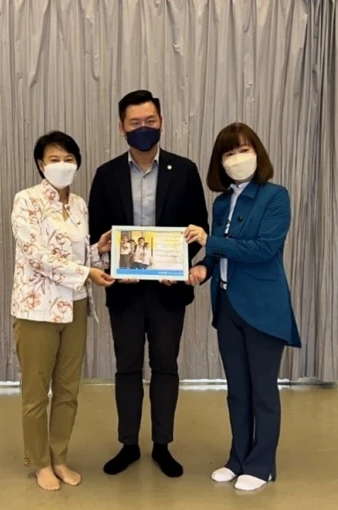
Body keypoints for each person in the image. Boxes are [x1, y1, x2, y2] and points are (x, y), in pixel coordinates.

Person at [89, 90, 209, 478]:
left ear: (161, 122)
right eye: (135, 123)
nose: (143, 129)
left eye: (150, 121)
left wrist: (181, 267)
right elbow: (96, 233)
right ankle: (128, 444)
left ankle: (162, 444)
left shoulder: (185, 170)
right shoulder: (106, 175)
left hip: (168, 292)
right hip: (123, 290)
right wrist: (103, 259)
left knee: (165, 367)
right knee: (126, 367)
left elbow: (198, 228)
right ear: (122, 127)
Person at [185, 123, 301, 491]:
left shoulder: (276, 197)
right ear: (220, 162)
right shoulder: (222, 202)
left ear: (258, 153)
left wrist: (211, 240)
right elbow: (218, 250)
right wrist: (202, 266)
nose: (237, 158)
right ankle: (238, 457)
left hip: (263, 307)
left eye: (244, 149)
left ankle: (262, 463)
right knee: (237, 389)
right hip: (228, 304)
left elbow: (264, 249)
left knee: (263, 390)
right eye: (229, 153)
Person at [11, 131, 114, 491]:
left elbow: (78, 255)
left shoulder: (81, 205)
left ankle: (60, 457)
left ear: (77, 163)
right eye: (53, 159)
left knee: (68, 390)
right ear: (40, 164)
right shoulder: (26, 201)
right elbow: (37, 256)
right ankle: (39, 462)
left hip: (75, 305)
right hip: (36, 309)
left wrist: (98, 251)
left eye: (68, 158)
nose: (61, 165)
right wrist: (88, 272)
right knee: (36, 392)